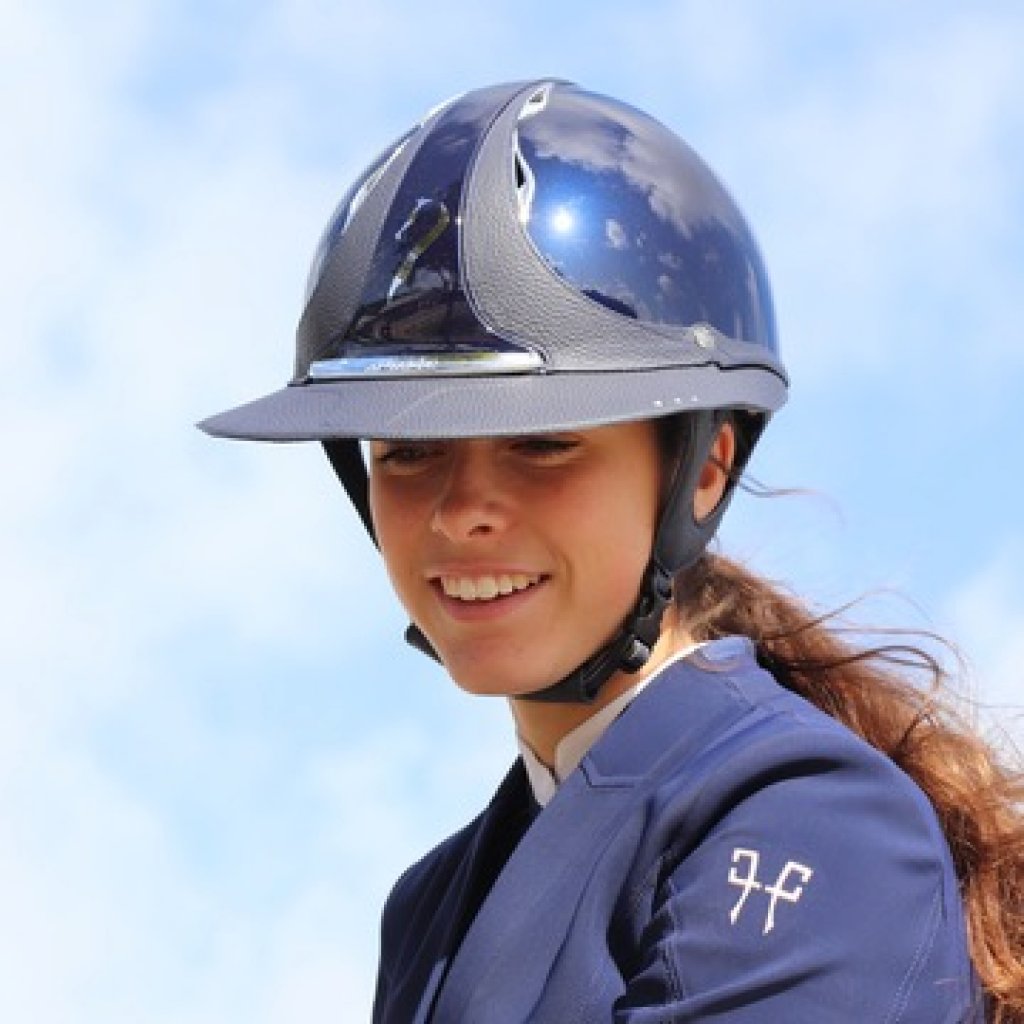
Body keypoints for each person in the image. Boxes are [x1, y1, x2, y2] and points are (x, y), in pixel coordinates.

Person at [200, 80, 1023, 1021]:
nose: (463, 512)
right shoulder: (429, 908)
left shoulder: (815, 826)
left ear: (703, 469)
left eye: (542, 443)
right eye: (408, 452)